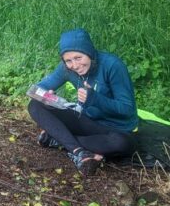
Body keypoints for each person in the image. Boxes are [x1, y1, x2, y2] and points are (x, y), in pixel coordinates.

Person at [28, 28, 138, 175]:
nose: (74, 65)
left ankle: (58, 139)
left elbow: (127, 109)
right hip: (87, 121)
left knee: (121, 144)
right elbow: (39, 88)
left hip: (115, 128)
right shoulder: (67, 69)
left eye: (78, 58)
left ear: (89, 53)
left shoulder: (112, 65)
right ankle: (79, 151)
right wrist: (46, 95)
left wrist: (94, 98)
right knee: (35, 104)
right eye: (68, 61)